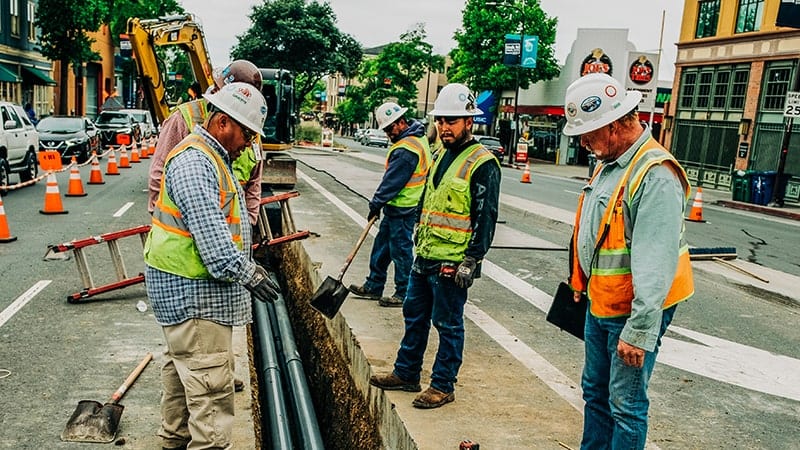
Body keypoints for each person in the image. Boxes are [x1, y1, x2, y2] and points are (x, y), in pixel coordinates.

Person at [144, 82, 280, 450]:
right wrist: (251, 274)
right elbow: (216, 249)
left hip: (187, 292)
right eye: (246, 134)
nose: (249, 144)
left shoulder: (213, 157)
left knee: (181, 373)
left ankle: (174, 441)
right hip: (194, 296)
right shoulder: (195, 162)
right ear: (222, 122)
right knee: (210, 393)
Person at [562, 73, 694, 449]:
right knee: (595, 393)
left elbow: (655, 265)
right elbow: (596, 230)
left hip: (633, 309)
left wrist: (638, 331)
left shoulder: (655, 174)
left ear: (617, 123)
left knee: (626, 404)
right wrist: (579, 282)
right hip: (601, 300)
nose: (584, 142)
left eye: (589, 133)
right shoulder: (610, 161)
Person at [369, 83, 501, 409]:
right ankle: (407, 372)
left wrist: (472, 259)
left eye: (452, 121)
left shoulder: (482, 163)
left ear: (469, 122)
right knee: (414, 316)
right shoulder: (439, 153)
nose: (444, 127)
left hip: (452, 262)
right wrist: (417, 228)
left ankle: (442, 385)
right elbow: (429, 198)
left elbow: (485, 217)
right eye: (441, 121)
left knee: (448, 324)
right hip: (425, 254)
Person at [148, 60, 264, 227]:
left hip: (231, 231)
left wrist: (249, 223)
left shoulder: (249, 131)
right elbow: (159, 174)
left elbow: (254, 183)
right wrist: (164, 221)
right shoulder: (185, 118)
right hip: (189, 228)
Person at [348, 102, 432, 307]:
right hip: (396, 206)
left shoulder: (407, 149)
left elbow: (392, 182)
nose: (387, 134)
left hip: (404, 207)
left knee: (401, 251)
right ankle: (374, 285)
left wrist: (376, 204)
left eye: (389, 129)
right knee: (382, 247)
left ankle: (404, 292)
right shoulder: (414, 139)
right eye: (385, 130)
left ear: (401, 122)